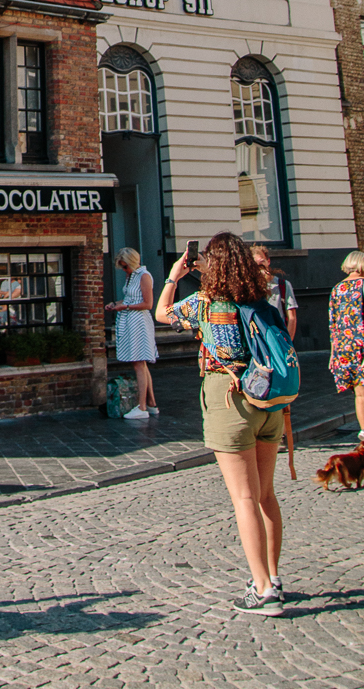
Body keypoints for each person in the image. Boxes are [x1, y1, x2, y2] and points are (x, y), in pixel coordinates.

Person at [156, 232, 286, 617]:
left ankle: (262, 590)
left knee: (244, 498)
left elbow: (162, 313)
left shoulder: (206, 303)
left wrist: (176, 276)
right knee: (266, 495)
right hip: (268, 399)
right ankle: (274, 577)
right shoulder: (259, 299)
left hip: (230, 400)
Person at [327, 250, 364, 443]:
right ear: (363, 265)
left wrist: (333, 353)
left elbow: (332, 323)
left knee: (360, 393)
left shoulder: (337, 288)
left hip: (344, 347)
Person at [105, 247, 158, 420]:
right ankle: (151, 404)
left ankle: (142, 407)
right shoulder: (131, 276)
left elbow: (148, 303)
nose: (124, 270)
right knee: (141, 363)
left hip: (139, 323)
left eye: (125, 266)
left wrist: (125, 307)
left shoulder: (144, 276)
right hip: (129, 321)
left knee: (139, 363)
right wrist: (116, 304)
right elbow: (130, 299)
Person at [252, 245, 298, 340]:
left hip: (279, 337)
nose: (260, 267)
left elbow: (292, 317)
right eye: (256, 265)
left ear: (268, 261)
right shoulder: (250, 287)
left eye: (262, 262)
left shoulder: (283, 285)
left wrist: (288, 343)